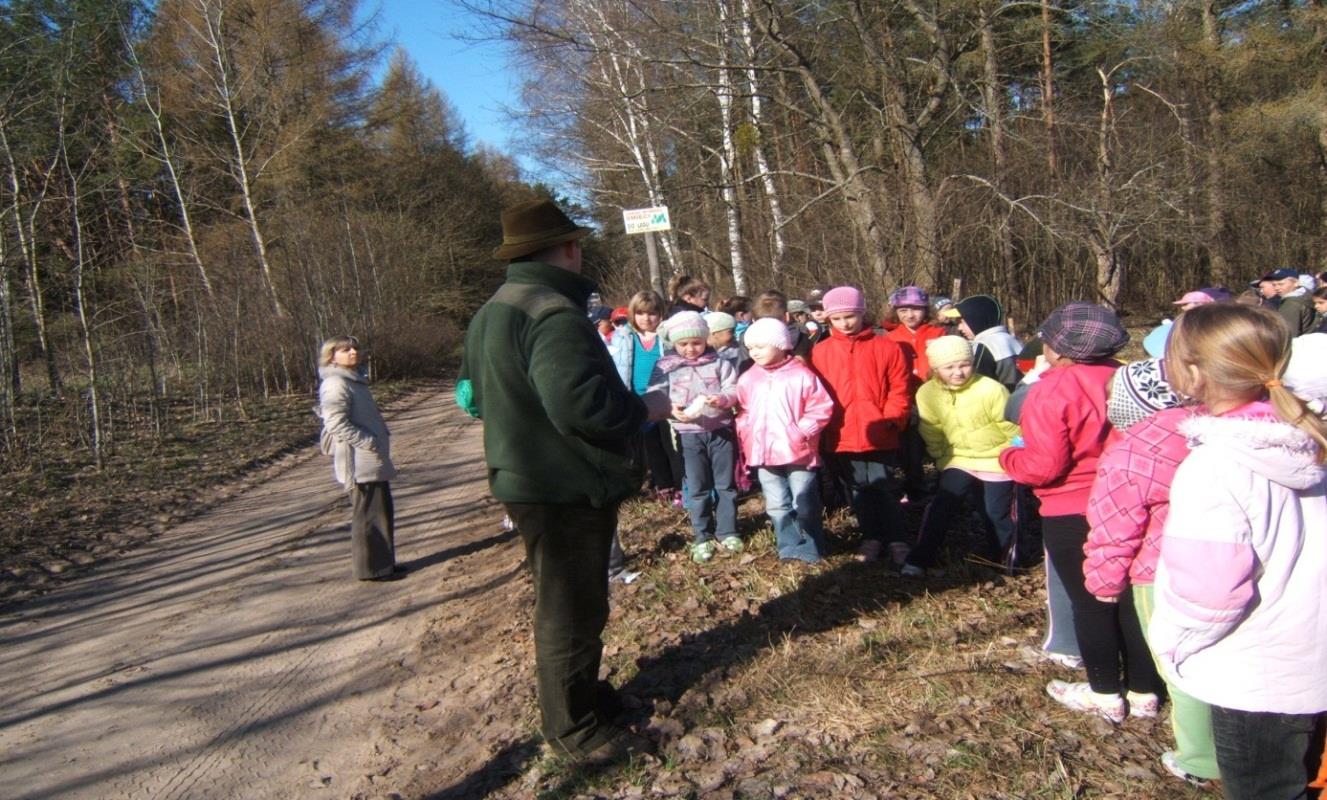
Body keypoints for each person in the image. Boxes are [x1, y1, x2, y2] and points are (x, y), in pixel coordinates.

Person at [457, 198, 669, 764]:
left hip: (526, 477)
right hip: (563, 483)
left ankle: (584, 698)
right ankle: (573, 731)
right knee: (570, 609)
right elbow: (582, 406)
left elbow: (473, 396)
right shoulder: (551, 312)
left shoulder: (493, 309)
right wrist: (644, 410)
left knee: (575, 604)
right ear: (569, 248)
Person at [1150, 315, 1327, 800]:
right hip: (1309, 657)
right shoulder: (1308, 441)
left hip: (1256, 673)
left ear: (1193, 371)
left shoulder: (1213, 467)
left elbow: (1210, 593)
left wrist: (1173, 644)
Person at [999, 302, 1163, 724]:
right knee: (1131, 596)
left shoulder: (1052, 389)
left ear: (1059, 349)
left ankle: (1105, 691)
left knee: (1090, 602)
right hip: (1132, 502)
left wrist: (1009, 459)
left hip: (1072, 508)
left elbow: (1044, 466)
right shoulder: (1126, 376)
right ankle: (1145, 689)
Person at [1087, 370, 1212, 786]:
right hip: (1218, 564)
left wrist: (1104, 584)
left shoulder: (1131, 452)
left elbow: (1115, 525)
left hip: (1155, 572)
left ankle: (1201, 758)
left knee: (1178, 665)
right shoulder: (1212, 433)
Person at [808, 286, 912, 563]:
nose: (845, 323)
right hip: (841, 433)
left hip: (879, 430)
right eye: (838, 318)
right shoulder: (821, 352)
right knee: (858, 489)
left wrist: (893, 418)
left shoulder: (886, 347)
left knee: (884, 486)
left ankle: (897, 537)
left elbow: (899, 388)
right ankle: (871, 536)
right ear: (829, 319)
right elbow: (816, 393)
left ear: (862, 313)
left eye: (850, 316)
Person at [901, 336, 1020, 576]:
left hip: (996, 459)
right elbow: (931, 428)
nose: (958, 372)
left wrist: (1014, 456)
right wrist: (941, 457)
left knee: (996, 512)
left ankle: (1006, 560)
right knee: (942, 505)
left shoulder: (991, 389)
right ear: (936, 369)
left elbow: (1013, 427)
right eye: (950, 367)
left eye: (964, 364)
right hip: (959, 459)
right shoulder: (927, 393)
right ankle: (919, 559)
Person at [736, 317, 834, 563]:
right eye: (751, 348)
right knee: (777, 503)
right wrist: (745, 430)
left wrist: (802, 431)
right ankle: (788, 545)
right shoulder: (749, 378)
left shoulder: (801, 375)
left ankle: (811, 546)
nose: (754, 352)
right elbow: (744, 410)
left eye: (761, 346)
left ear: (781, 345)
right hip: (763, 451)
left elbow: (821, 407)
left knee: (805, 501)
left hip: (798, 450)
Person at [650, 312, 742, 563]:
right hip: (688, 434)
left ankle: (728, 531)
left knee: (725, 484)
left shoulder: (720, 362)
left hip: (720, 429)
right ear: (674, 344)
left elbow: (732, 388)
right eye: (684, 344)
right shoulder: (666, 367)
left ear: (705, 340)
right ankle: (702, 535)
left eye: (696, 343)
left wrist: (723, 399)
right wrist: (671, 409)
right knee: (698, 486)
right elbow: (656, 394)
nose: (691, 349)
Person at [317, 336, 400, 581]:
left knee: (381, 511)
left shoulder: (354, 380)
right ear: (332, 356)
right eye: (345, 350)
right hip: (358, 460)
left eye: (355, 348)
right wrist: (367, 441)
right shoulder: (335, 383)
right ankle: (370, 570)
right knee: (368, 516)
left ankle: (384, 564)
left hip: (372, 459)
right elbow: (335, 423)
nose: (353, 352)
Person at [609, 290, 685, 506]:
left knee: (671, 446)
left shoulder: (667, 336)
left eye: (652, 313)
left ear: (660, 314)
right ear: (633, 314)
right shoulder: (623, 336)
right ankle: (663, 486)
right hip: (636, 398)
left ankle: (680, 486)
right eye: (641, 313)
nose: (647, 318)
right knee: (650, 448)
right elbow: (617, 365)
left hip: (665, 397)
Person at [885, 286, 946, 502]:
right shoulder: (891, 338)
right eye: (903, 311)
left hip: (938, 396)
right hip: (908, 398)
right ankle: (914, 484)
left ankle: (945, 484)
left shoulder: (938, 333)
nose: (910, 315)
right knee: (911, 445)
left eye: (916, 309)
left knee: (942, 440)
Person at [941, 295, 1023, 391]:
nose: (959, 328)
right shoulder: (1012, 340)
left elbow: (976, 386)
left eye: (962, 322)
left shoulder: (985, 346)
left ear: (976, 320)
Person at [1262, 267, 1316, 335]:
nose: (1277, 288)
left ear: (1296, 283)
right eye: (1274, 285)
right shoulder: (1306, 296)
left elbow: (1288, 333)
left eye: (1281, 284)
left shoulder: (1291, 303)